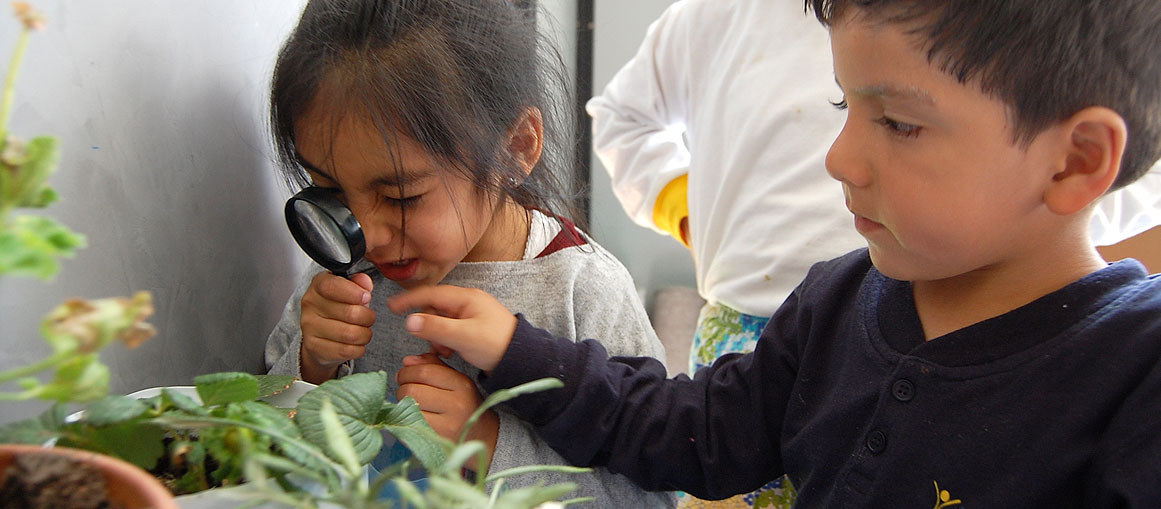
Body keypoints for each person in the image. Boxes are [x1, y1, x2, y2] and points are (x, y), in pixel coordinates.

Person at [386, 0, 1161, 506]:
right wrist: (518, 349)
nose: (838, 160)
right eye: (841, 104)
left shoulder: (1133, 372)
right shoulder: (834, 300)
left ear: (1073, 161)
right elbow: (689, 430)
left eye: (897, 123)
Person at [262, 1, 675, 506]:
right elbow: (255, 426)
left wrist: (488, 447)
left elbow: (651, 496)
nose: (366, 234)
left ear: (516, 147)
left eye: (401, 197)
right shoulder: (344, 269)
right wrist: (311, 364)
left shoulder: (581, 290)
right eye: (331, 192)